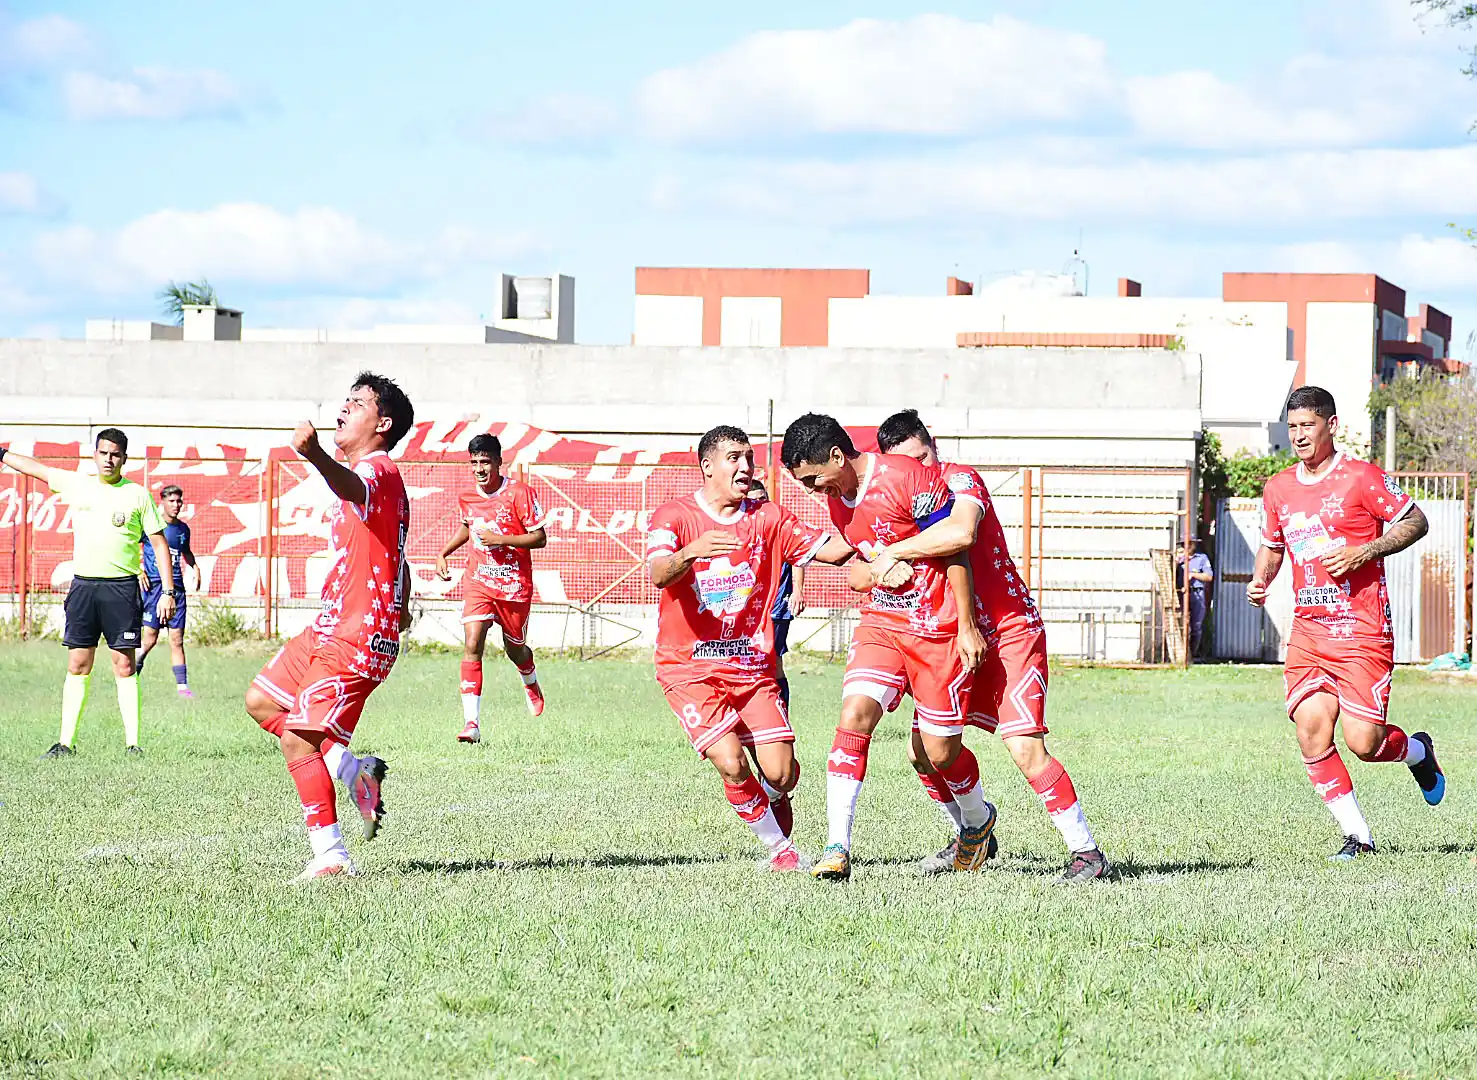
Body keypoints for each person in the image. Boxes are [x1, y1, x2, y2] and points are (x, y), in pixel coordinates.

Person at [873, 409, 1109, 883]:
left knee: (1024, 746)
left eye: (923, 457)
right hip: (949, 637)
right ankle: (972, 830)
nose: (920, 471)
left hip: (1008, 632)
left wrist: (893, 552)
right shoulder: (893, 499)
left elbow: (961, 532)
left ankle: (1087, 853)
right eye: (907, 466)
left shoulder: (960, 479)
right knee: (924, 751)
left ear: (932, 443)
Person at [781, 413, 994, 882]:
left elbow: (954, 548)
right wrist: (878, 568)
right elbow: (860, 566)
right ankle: (837, 846)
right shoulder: (841, 499)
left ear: (838, 456)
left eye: (816, 480)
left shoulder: (907, 477)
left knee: (938, 753)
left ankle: (978, 822)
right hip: (882, 623)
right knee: (854, 715)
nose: (818, 492)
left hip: (934, 626)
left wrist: (965, 625)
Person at [1248, 385, 1444, 861]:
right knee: (1311, 730)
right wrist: (1260, 581)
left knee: (1364, 742)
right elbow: (1274, 546)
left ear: (1330, 425)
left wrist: (1366, 550)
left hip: (1361, 629)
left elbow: (1415, 520)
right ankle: (1357, 837)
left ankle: (1418, 753)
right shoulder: (1278, 488)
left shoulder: (1361, 478)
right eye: (1292, 427)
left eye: (1307, 426)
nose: (1298, 435)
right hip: (1309, 632)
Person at [646, 425, 853, 871]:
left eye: (750, 458)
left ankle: (775, 796)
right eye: (734, 457)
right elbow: (659, 572)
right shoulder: (674, 516)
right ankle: (781, 850)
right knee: (731, 762)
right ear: (707, 466)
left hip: (752, 668)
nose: (745, 466)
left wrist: (887, 535)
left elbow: (834, 552)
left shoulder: (768, 516)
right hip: (688, 669)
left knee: (780, 773)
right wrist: (691, 553)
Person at [242, 372, 415, 881]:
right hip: (332, 625)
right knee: (264, 702)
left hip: (357, 635)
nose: (343, 408)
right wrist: (402, 594)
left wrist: (314, 455)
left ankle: (331, 857)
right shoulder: (373, 477)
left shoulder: (376, 470)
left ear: (381, 423)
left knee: (298, 737)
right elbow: (391, 551)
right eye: (344, 400)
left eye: (356, 402)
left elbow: (356, 487)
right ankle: (352, 770)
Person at [1, 429, 176, 757]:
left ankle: (133, 744)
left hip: (121, 589)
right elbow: (35, 468)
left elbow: (158, 543)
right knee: (78, 663)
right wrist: (1, 454)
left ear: (124, 458)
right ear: (94, 455)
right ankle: (65, 743)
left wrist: (169, 591)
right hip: (83, 588)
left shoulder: (137, 495)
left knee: (123, 665)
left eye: (115, 454)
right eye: (103, 453)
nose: (109, 459)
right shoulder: (77, 483)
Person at [435, 433, 549, 743]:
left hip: (513, 586)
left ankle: (530, 679)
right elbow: (467, 525)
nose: (479, 469)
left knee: (515, 648)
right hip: (479, 582)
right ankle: (471, 724)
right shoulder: (468, 497)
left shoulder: (519, 493)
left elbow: (539, 538)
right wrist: (444, 551)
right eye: (474, 463)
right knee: (472, 643)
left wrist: (501, 540)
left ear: (499, 462)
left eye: (485, 462)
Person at [746, 478, 805, 707]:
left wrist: (798, 590)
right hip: (748, 609)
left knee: (773, 661)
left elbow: (798, 555)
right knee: (747, 661)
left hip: (778, 606)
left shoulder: (779, 526)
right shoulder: (739, 528)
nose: (759, 505)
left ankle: (781, 714)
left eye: (763, 500)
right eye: (754, 501)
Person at [136, 484, 198, 697]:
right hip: (155, 588)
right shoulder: (152, 526)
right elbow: (130, 545)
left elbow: (186, 552)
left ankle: (182, 688)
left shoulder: (182, 529)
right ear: (161, 502)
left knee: (176, 640)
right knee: (150, 638)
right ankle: (132, 670)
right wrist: (138, 569)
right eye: (171, 501)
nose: (176, 505)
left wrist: (195, 566)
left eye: (179, 501)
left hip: (177, 592)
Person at [1177, 535, 1213, 659]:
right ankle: (1181, 653)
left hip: (1197, 593)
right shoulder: (1179, 560)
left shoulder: (1201, 558)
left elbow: (1209, 577)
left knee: (1196, 625)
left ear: (1194, 545)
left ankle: (1193, 654)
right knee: (1181, 624)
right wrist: (1177, 562)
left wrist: (1193, 575)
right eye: (1184, 544)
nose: (1187, 546)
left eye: (1190, 543)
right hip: (1181, 594)